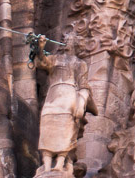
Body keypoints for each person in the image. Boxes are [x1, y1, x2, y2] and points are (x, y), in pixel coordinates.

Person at [35, 32, 96, 173]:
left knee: (66, 127)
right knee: (47, 125)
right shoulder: (56, 59)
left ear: (76, 44)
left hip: (69, 96)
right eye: (66, 39)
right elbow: (41, 62)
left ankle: (60, 163)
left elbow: (84, 86)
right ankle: (47, 164)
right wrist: (40, 47)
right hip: (53, 96)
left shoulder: (80, 64)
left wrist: (81, 103)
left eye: (72, 40)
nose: (68, 42)